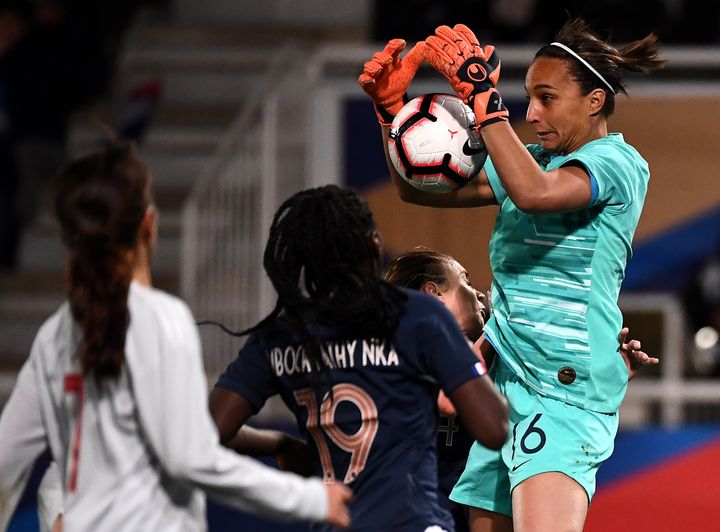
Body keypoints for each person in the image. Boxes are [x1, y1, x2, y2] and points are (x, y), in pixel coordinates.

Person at [359, 18, 663, 532]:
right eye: (527, 97)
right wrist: (394, 117)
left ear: (594, 101)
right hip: (507, 385)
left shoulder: (617, 163)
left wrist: (484, 102)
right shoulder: (534, 160)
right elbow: (421, 189)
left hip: (560, 390)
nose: (532, 112)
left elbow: (536, 194)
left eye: (547, 98)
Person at [0, 143, 352, 531]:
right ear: (148, 224)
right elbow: (192, 458)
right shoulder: (162, 319)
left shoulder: (53, 336)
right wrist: (310, 499)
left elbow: (5, 459)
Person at [208, 185, 509, 531]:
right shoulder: (417, 316)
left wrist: (277, 443)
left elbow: (207, 432)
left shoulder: (280, 336)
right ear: (374, 244)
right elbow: (494, 427)